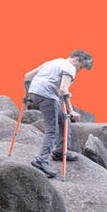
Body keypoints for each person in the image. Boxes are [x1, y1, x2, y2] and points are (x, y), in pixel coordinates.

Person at [23, 50, 94, 178]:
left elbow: (27, 76)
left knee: (63, 119)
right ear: (76, 59)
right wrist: (71, 110)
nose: (79, 70)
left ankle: (60, 152)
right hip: (47, 96)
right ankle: (41, 160)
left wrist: (28, 96)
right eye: (81, 67)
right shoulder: (70, 67)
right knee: (52, 130)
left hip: (36, 92)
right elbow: (63, 89)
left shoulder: (53, 62)